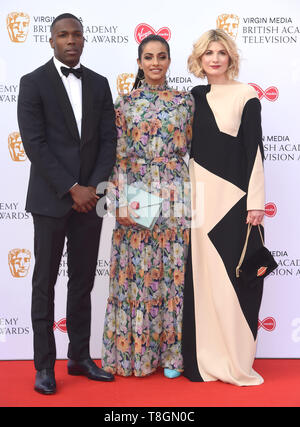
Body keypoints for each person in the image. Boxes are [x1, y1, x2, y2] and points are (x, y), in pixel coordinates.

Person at [17, 13, 116, 394]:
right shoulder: (33, 83)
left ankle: (79, 356)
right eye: (63, 35)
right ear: (52, 40)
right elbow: (34, 145)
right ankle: (44, 366)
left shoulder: (99, 84)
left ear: (84, 40)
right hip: (51, 200)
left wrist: (93, 189)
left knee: (83, 281)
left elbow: (109, 140)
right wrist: (71, 187)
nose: (70, 40)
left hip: (91, 201)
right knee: (44, 283)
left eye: (76, 34)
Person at [101, 35, 194, 378]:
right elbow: (115, 155)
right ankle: (134, 354)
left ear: (170, 61)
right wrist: (119, 201)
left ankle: (172, 355)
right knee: (138, 274)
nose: (155, 63)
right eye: (148, 57)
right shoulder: (123, 104)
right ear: (139, 62)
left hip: (175, 191)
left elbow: (199, 152)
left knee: (172, 273)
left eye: (162, 56)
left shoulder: (186, 102)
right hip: (136, 187)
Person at [182, 29, 265, 386]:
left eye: (221, 52)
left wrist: (256, 202)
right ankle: (201, 360)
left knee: (235, 281)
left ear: (230, 57)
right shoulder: (194, 96)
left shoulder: (246, 95)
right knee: (202, 279)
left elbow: (254, 149)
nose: (214, 58)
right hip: (199, 199)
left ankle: (235, 359)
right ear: (199, 60)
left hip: (235, 203)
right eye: (208, 53)